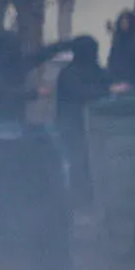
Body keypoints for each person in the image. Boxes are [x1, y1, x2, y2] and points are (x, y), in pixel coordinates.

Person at [54, 35, 110, 206]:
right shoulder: (69, 73)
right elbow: (81, 92)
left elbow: (107, 82)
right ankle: (81, 200)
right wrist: (106, 91)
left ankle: (93, 198)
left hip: (95, 127)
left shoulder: (95, 70)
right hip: (73, 126)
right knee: (78, 163)